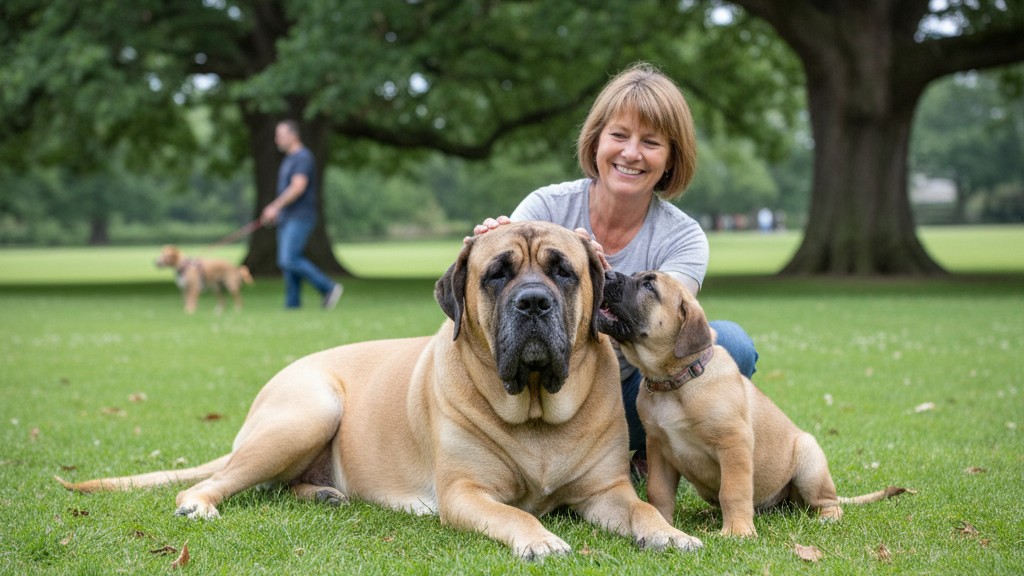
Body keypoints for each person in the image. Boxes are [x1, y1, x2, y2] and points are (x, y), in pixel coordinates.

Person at [472, 62, 758, 476]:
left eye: (651, 142)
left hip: (630, 391)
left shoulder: (684, 237)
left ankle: (650, 451)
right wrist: (488, 248)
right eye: (619, 135)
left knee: (731, 343)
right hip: (550, 381)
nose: (631, 153)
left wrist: (590, 276)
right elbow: (496, 304)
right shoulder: (545, 208)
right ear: (596, 141)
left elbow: (669, 332)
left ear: (672, 158)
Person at [261, 119, 343, 310]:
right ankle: (292, 304)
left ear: (293, 135)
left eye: (280, 136)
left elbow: (298, 187)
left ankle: (328, 287)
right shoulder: (289, 159)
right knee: (288, 262)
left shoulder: (302, 157)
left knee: (288, 259)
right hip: (288, 217)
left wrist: (275, 207)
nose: (276, 140)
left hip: (300, 215)